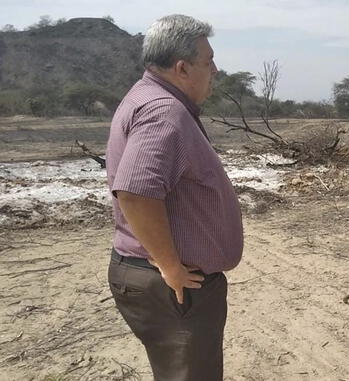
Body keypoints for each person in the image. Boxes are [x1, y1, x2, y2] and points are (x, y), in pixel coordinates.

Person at [105, 14, 243, 381]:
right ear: (182, 68)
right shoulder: (164, 111)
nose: (215, 69)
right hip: (172, 287)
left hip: (163, 282)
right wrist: (170, 266)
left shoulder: (153, 99)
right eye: (208, 60)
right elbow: (135, 191)